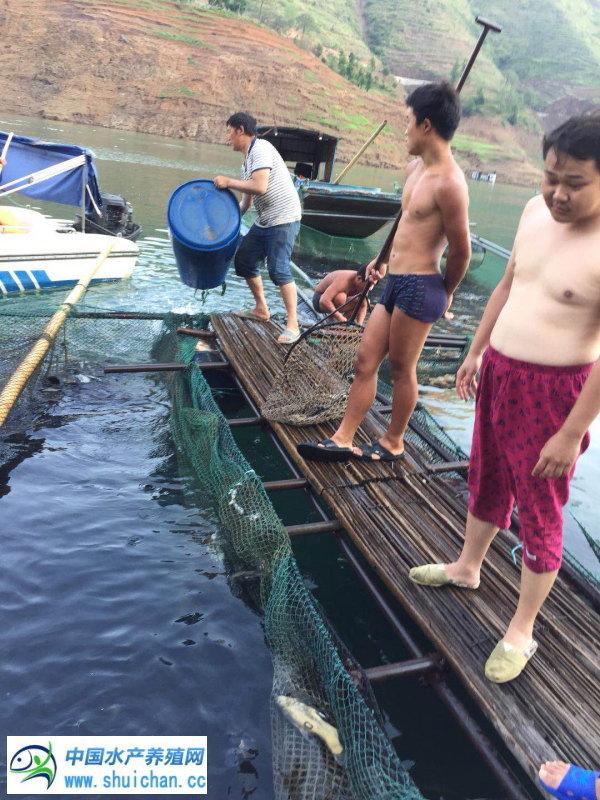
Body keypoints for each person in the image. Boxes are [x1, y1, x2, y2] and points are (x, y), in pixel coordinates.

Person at [409, 113, 600, 683]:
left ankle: (523, 629)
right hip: (499, 370)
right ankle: (468, 566)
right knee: (486, 472)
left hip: (556, 394)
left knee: (539, 506)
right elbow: (507, 285)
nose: (558, 194)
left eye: (575, 184)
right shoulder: (532, 212)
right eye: (550, 178)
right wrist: (475, 352)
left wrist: (570, 433)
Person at [296, 82, 470, 462]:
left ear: (426, 125)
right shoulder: (415, 169)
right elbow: (406, 226)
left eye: (408, 121)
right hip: (393, 281)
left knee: (402, 367)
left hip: (423, 285)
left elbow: (461, 250)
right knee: (365, 359)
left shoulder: (450, 184)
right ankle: (343, 437)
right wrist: (381, 261)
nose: (404, 130)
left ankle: (393, 441)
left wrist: (449, 290)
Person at [213, 111, 302, 344]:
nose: (228, 137)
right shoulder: (247, 161)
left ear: (240, 130)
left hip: (284, 217)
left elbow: (260, 186)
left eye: (230, 131)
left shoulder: (261, 148)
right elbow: (246, 202)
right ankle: (262, 309)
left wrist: (228, 182)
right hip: (265, 220)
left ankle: (293, 324)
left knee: (278, 269)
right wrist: (227, 222)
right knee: (244, 260)